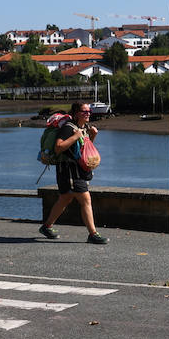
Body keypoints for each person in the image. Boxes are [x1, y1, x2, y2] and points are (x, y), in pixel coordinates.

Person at [39, 100, 107, 244]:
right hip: (68, 170)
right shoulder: (69, 128)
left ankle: (46, 226)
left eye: (89, 111)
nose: (88, 114)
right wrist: (75, 136)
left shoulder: (84, 127)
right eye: (85, 111)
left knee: (65, 198)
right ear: (76, 113)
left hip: (75, 170)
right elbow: (58, 147)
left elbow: (83, 148)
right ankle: (93, 233)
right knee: (86, 199)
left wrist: (92, 136)